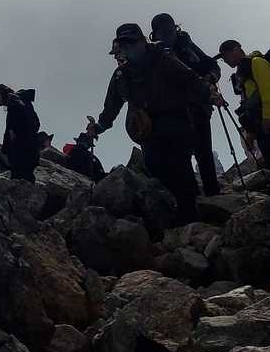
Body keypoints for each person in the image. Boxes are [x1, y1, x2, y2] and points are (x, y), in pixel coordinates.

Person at [86, 24, 203, 224]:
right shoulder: (121, 76)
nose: (129, 48)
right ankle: (178, 210)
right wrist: (99, 127)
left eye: (132, 43)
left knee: (180, 165)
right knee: (156, 166)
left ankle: (189, 212)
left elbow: (190, 80)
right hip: (148, 130)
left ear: (142, 41)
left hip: (176, 122)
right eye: (124, 45)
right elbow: (111, 106)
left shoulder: (163, 59)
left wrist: (207, 96)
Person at [151, 13, 223, 196]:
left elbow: (211, 66)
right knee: (197, 153)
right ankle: (207, 196)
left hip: (190, 109)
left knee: (191, 154)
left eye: (168, 31)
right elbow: (211, 65)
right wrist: (210, 80)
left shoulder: (182, 46)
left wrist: (209, 79)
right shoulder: (179, 47)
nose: (167, 36)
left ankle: (199, 198)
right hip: (185, 110)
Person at [217, 39, 270, 171]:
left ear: (236, 50)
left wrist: (268, 117)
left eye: (225, 55)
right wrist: (251, 131)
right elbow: (250, 103)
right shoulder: (243, 72)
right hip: (262, 122)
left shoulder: (256, 62)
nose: (225, 60)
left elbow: (267, 89)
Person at [0, 84, 41, 182]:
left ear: (0, 94)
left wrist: (11, 142)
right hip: (31, 148)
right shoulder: (22, 100)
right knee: (27, 179)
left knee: (20, 180)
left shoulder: (14, 102)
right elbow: (36, 124)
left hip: (22, 152)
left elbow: (12, 128)